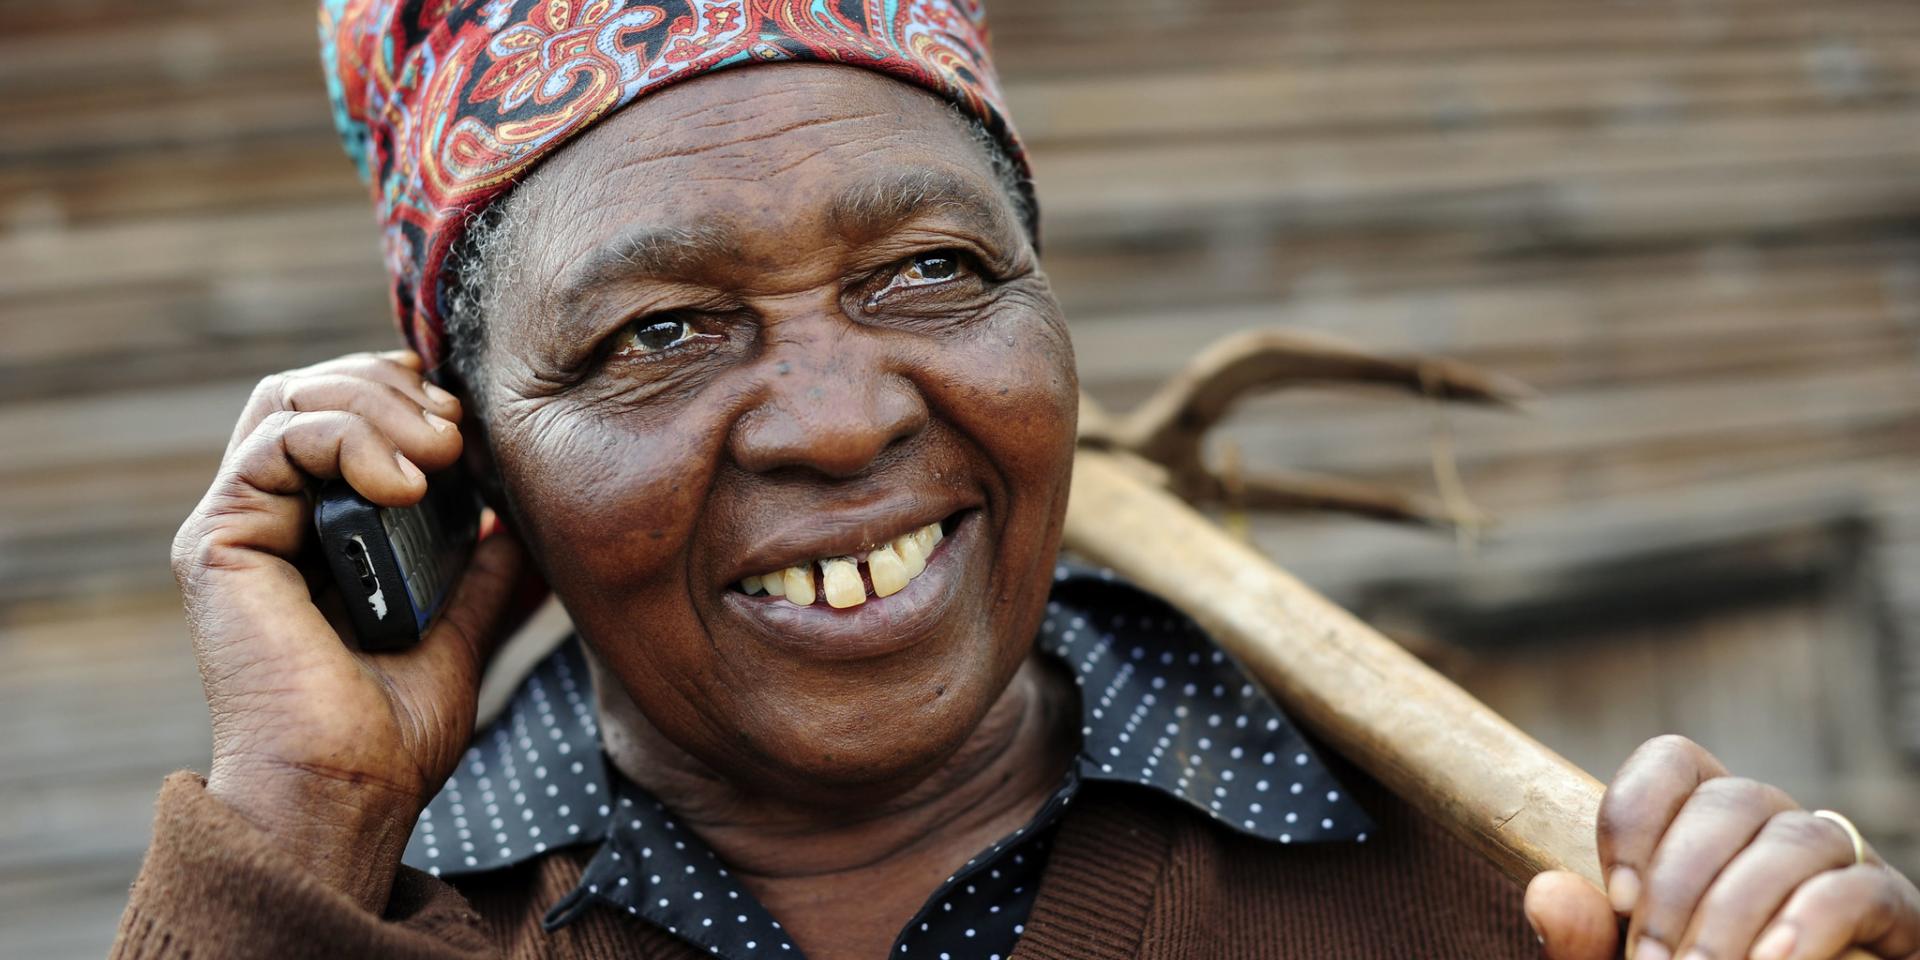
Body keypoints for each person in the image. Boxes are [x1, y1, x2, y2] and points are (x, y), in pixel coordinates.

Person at [115, 2, 1920, 958]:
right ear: (460, 455)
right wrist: (292, 827)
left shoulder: (1494, 903)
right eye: (662, 330)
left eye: (931, 272)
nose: (838, 420)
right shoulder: (349, 930)